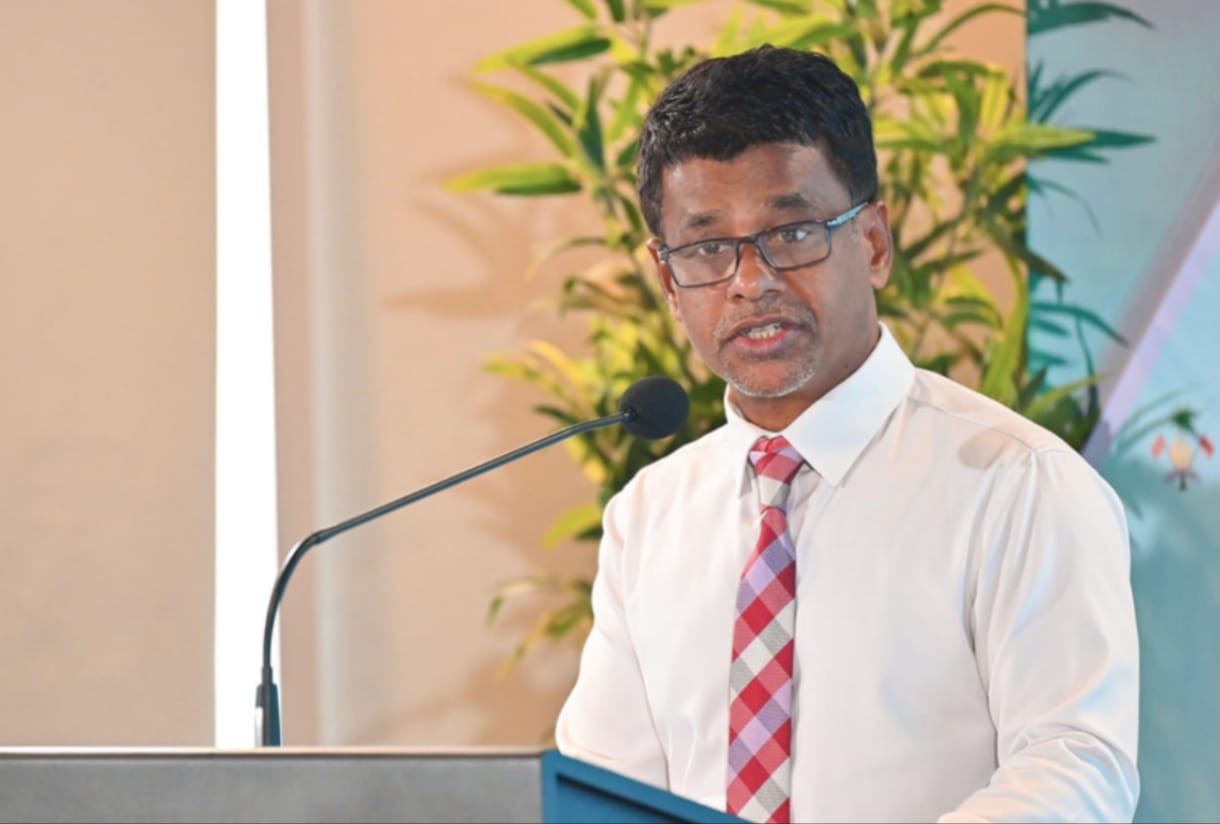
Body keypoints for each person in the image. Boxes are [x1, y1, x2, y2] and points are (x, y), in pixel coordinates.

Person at [553, 45, 1140, 823]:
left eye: (792, 233)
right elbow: (602, 790)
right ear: (668, 278)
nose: (750, 281)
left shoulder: (1016, 483)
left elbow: (1074, 768)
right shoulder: (649, 515)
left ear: (874, 242)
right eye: (707, 248)